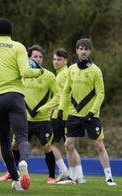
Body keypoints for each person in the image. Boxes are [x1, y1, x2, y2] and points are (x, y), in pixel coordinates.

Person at [0, 18, 43, 191]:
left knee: (4, 142)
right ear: (11, 33)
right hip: (14, 96)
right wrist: (39, 71)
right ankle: (23, 160)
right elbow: (25, 71)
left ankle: (16, 180)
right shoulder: (18, 47)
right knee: (22, 136)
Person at [56, 38, 117, 186]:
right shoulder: (71, 69)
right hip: (73, 114)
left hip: (91, 116)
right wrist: (61, 109)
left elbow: (100, 94)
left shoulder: (96, 70)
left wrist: (92, 112)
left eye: (86, 49)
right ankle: (72, 177)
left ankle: (109, 178)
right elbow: (65, 91)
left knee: (99, 146)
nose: (83, 51)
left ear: (90, 51)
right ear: (76, 51)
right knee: (68, 145)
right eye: (81, 48)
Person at [21, 44, 64, 184]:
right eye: (35, 56)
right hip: (25, 119)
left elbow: (58, 95)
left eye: (40, 57)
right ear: (28, 58)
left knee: (47, 147)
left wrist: (46, 107)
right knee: (15, 145)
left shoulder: (49, 76)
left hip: (43, 120)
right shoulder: (21, 73)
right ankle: (11, 173)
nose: (38, 59)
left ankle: (51, 176)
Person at [49, 48, 72, 182]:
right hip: (65, 114)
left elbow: (63, 95)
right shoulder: (62, 73)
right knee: (69, 145)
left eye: (59, 59)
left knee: (48, 143)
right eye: (54, 59)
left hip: (60, 115)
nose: (56, 62)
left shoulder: (63, 75)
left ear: (65, 61)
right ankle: (77, 176)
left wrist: (51, 109)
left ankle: (64, 171)